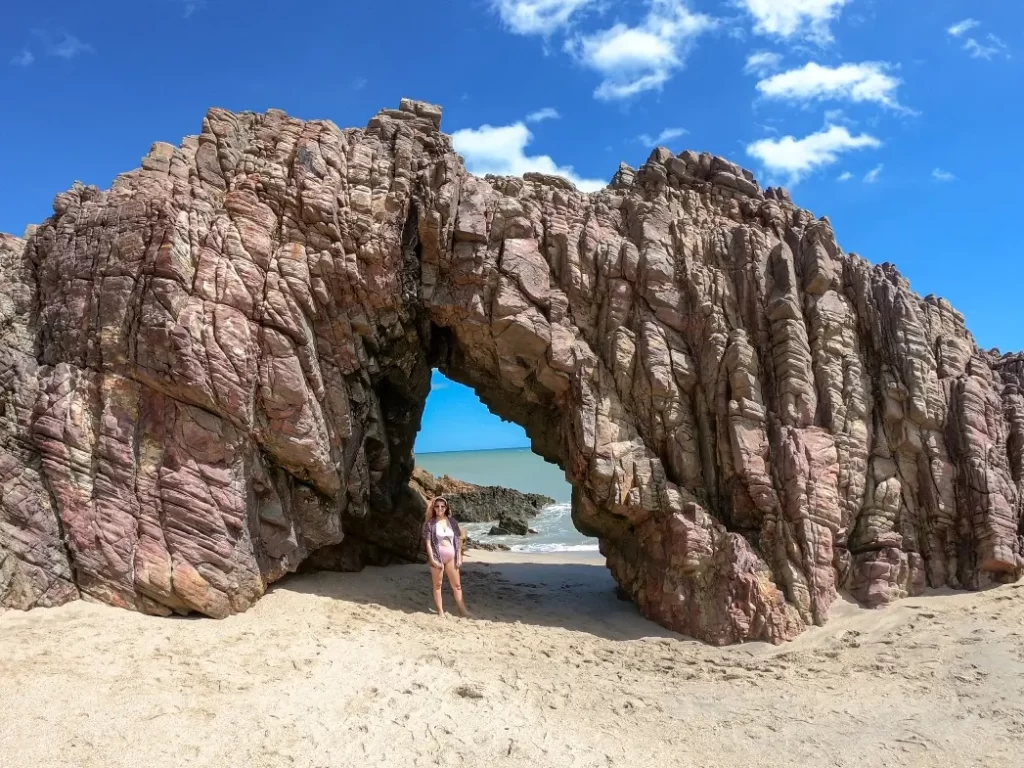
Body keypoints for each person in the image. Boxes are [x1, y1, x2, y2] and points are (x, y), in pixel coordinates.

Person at [423, 497, 469, 618]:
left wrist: (459, 557)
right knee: (438, 585)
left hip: (451, 557)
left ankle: (463, 610)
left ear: (446, 508)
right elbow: (428, 543)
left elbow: (458, 540)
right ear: (434, 508)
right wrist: (432, 559)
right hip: (437, 557)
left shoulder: (452, 522)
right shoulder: (430, 523)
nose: (440, 509)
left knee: (457, 586)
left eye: (442, 506)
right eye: (437, 506)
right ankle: (440, 611)